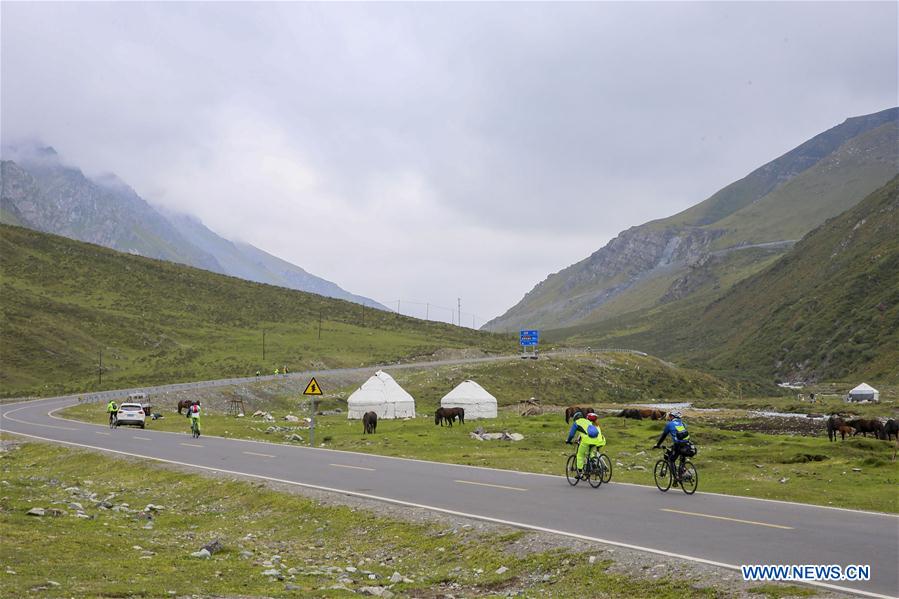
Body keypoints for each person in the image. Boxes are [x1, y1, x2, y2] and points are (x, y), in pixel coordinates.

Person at [653, 410, 691, 484]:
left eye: (670, 416)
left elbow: (663, 436)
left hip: (678, 445)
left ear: (673, 417)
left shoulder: (669, 424)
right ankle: (682, 472)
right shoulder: (682, 423)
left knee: (671, 460)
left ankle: (676, 478)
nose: (669, 417)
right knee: (682, 459)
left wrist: (658, 445)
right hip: (687, 444)